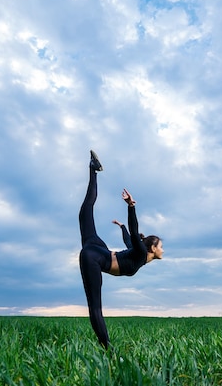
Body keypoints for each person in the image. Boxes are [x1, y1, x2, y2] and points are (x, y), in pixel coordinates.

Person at [78, 150, 164, 349]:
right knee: (95, 308)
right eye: (160, 246)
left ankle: (93, 170)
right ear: (152, 248)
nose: (162, 250)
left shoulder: (137, 253)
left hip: (99, 251)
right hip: (95, 257)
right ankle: (108, 349)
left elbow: (129, 240)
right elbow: (134, 234)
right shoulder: (142, 254)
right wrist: (131, 207)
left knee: (86, 211)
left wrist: (121, 227)